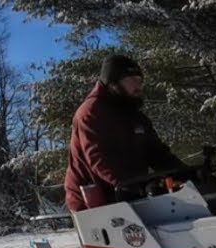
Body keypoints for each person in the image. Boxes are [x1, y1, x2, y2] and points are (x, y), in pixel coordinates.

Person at [63, 54, 186, 212]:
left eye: (139, 80)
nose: (138, 85)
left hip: (126, 191)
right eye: (131, 79)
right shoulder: (92, 112)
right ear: (113, 82)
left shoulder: (133, 114)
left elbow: (157, 152)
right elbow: (99, 158)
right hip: (94, 199)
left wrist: (185, 174)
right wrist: (136, 185)